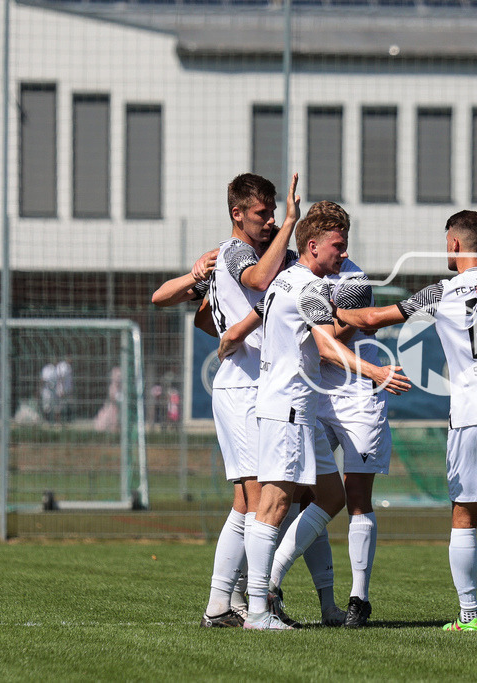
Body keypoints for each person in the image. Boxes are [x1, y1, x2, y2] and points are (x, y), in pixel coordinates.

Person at [335, 210, 477, 633]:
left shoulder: (441, 292)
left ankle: (469, 614)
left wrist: (331, 311)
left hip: (472, 412)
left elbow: (376, 318)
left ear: (454, 244)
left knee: (464, 513)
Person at [243, 203, 410, 630]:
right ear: (313, 245)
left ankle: (328, 600)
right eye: (337, 244)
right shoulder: (308, 287)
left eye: (345, 243)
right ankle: (258, 602)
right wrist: (378, 366)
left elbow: (334, 326)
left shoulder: (305, 279)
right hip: (298, 403)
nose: (344, 251)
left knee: (334, 497)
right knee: (277, 503)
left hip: (316, 401)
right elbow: (326, 342)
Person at [150, 172, 303, 628]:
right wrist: (198, 272)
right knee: (259, 500)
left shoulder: (269, 251)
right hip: (241, 388)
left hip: (265, 386)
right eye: (263, 213)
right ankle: (243, 604)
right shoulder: (235, 252)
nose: (272, 220)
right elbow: (164, 297)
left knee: (258, 501)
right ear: (238, 214)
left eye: (275, 211)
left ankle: (229, 602)